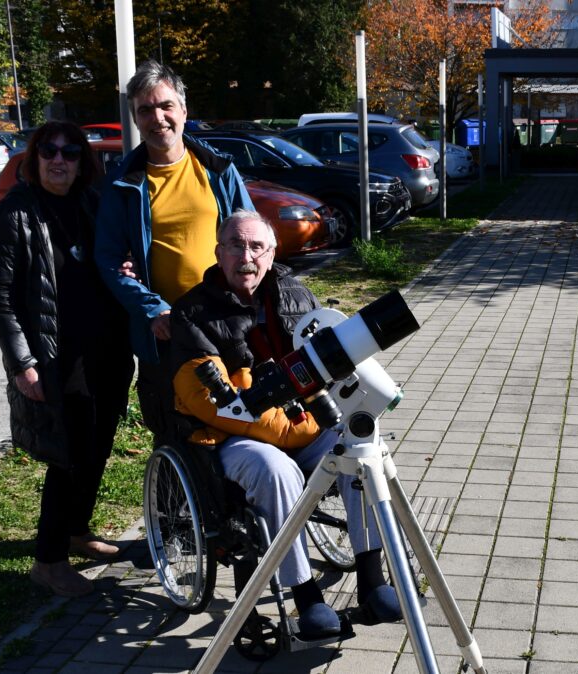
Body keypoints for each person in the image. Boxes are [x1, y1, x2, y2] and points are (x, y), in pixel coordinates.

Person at [169, 210, 403, 638]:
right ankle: (306, 595)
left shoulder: (296, 295)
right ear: (218, 253)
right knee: (276, 470)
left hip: (305, 420)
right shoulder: (191, 313)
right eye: (236, 245)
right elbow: (209, 399)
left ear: (273, 252)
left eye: (257, 246)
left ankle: (373, 579)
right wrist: (297, 427)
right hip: (232, 433)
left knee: (362, 448)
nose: (247, 256)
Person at [0, 121, 134, 597]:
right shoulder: (16, 213)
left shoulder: (92, 204)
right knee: (69, 457)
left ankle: (76, 530)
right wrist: (22, 362)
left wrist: (123, 266)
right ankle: (48, 561)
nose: (59, 160)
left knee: (99, 447)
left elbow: (109, 263)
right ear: (34, 157)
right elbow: (2, 297)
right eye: (49, 150)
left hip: (107, 352)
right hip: (56, 358)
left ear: (81, 162)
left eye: (70, 152)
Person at [95, 59, 253, 436]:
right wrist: (152, 310)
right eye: (145, 110)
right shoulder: (122, 184)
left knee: (242, 423)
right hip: (164, 334)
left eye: (165, 106)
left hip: (226, 322)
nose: (157, 117)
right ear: (135, 119)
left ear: (183, 110)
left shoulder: (217, 169)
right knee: (177, 432)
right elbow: (109, 258)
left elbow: (251, 237)